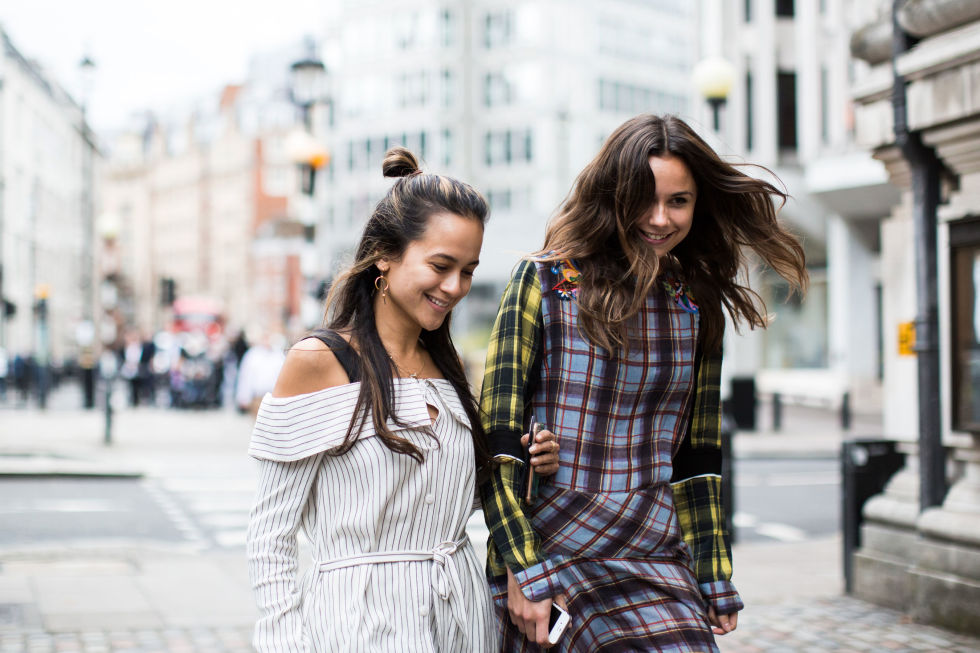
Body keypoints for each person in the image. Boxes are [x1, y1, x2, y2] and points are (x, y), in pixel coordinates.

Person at [479, 114, 808, 651]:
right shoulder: (544, 281)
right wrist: (519, 567)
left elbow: (697, 456)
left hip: (655, 554)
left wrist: (712, 569)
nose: (660, 218)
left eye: (678, 201)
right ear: (613, 197)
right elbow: (498, 439)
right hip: (555, 554)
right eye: (644, 200)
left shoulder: (696, 304)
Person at [245, 147, 559, 652]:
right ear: (385, 257)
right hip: (358, 627)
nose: (454, 287)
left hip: (461, 624)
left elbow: (451, 500)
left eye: (468, 270)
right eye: (440, 265)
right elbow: (271, 538)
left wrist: (529, 461)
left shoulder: (449, 372)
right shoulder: (319, 362)